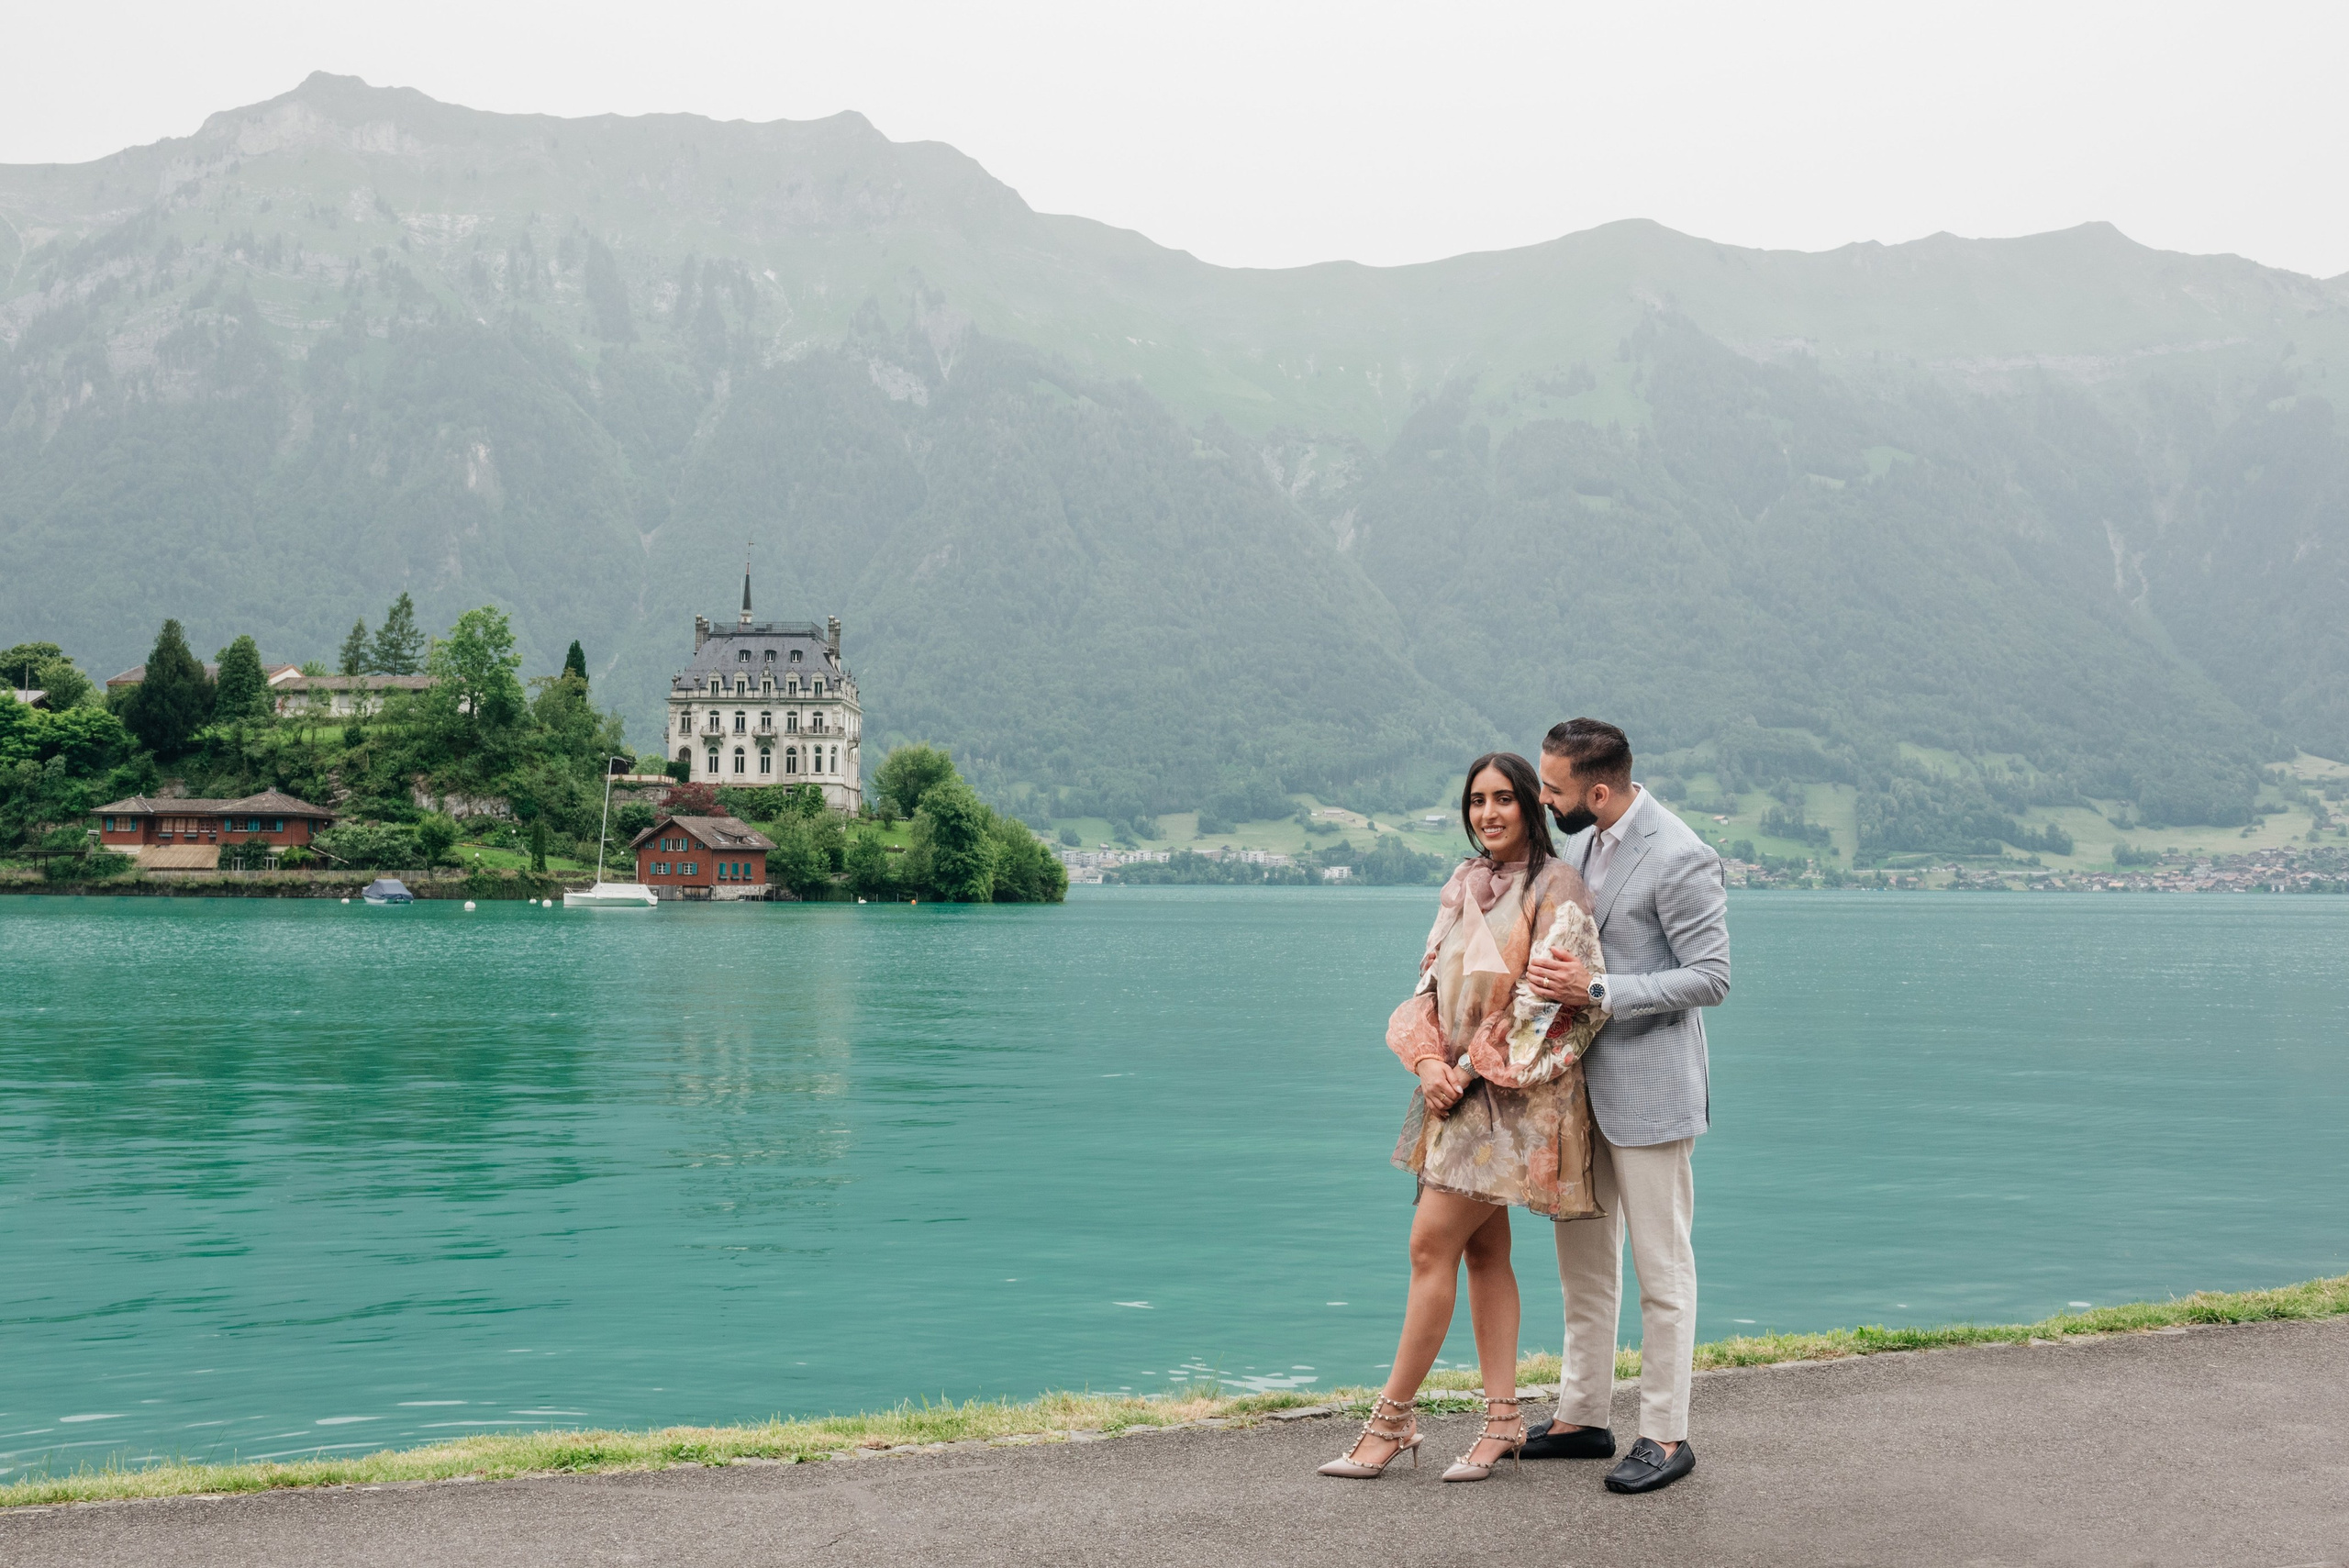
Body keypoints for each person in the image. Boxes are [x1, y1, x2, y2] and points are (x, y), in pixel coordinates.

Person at [1319, 751, 1605, 1484]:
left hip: (1510, 1098)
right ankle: (1504, 1420)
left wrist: (1467, 1069)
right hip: (1450, 1089)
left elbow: (1549, 1002)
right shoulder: (1463, 883)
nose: (1488, 813)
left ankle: (1393, 1419)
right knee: (1483, 1253)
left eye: (1503, 798)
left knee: (1428, 1246)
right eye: (1477, 800)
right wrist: (1425, 1063)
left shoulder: (1557, 884)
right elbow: (1427, 985)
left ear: (1530, 806)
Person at [1520, 717, 1731, 1495]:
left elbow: (1711, 976)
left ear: (1600, 791)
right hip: (1578, 1091)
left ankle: (1665, 1434)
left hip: (1651, 1091)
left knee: (1661, 1273)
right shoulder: (1579, 846)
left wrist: (1599, 990)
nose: (1545, 801)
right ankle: (1583, 1416)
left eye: (1554, 789)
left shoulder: (1680, 854)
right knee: (1582, 1265)